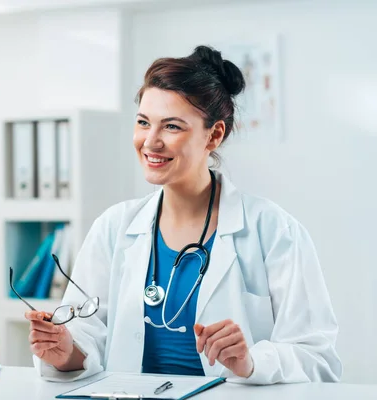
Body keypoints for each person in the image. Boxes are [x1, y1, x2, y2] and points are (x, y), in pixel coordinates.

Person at [23, 45, 342, 385]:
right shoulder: (113, 228)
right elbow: (86, 338)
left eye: (172, 127)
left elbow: (317, 359)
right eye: (144, 122)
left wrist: (251, 361)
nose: (151, 141)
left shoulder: (275, 231)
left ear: (214, 134)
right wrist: (65, 349)